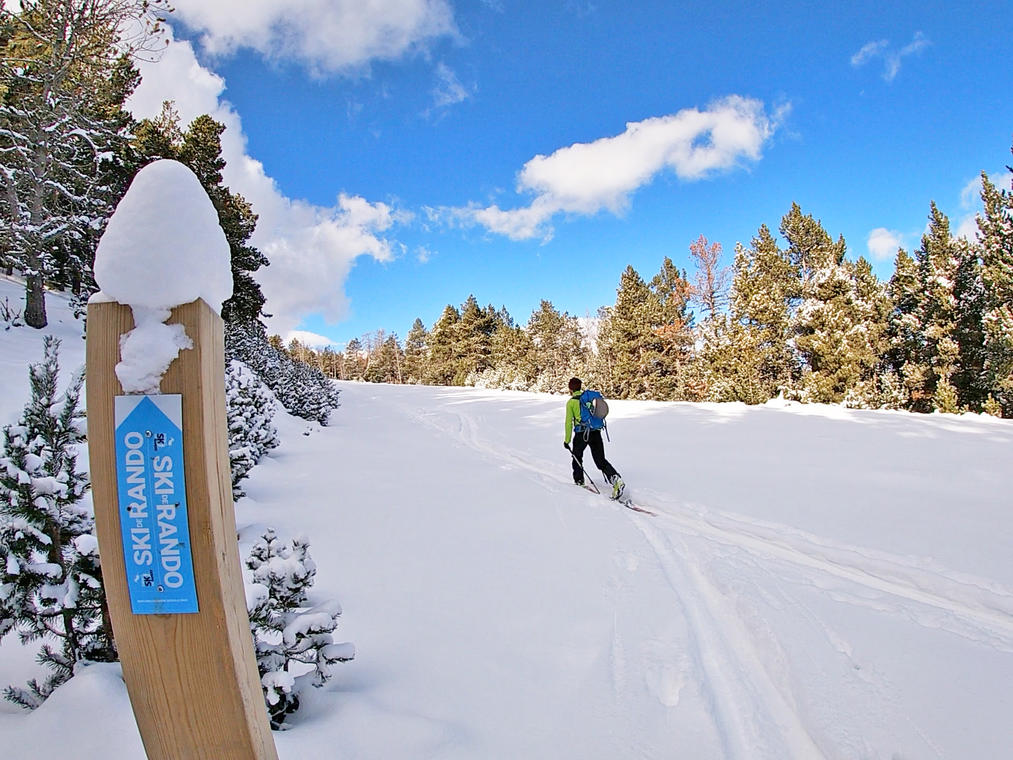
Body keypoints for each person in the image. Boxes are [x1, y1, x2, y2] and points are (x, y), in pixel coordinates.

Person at [563, 377, 625, 499]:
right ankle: (615, 479)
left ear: (570, 388)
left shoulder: (571, 403)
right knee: (600, 460)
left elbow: (568, 423)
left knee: (577, 457)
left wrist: (567, 440)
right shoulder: (589, 399)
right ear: (580, 387)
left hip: (581, 434)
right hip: (595, 432)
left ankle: (579, 481)